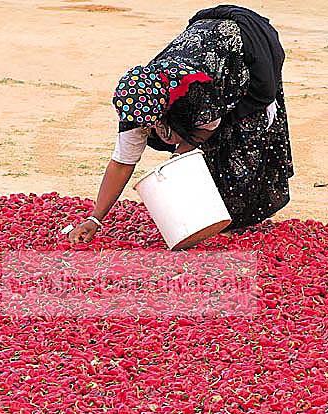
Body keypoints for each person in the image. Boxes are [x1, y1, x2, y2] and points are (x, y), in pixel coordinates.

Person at [69, 5, 293, 244]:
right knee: (199, 149)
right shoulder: (136, 104)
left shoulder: (197, 92)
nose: (148, 129)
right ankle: (216, 211)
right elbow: (123, 161)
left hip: (244, 50)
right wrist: (95, 218)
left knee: (241, 134)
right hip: (204, 47)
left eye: (152, 123)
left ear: (164, 108)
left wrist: (179, 156)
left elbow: (209, 127)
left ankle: (234, 218)